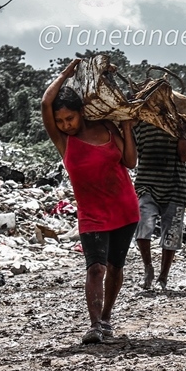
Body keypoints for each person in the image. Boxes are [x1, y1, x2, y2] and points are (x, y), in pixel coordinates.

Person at [41, 58, 140, 344]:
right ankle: (95, 325)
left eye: (69, 118)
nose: (65, 124)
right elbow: (46, 104)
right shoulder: (63, 141)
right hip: (92, 214)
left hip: (125, 208)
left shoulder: (108, 128)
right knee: (96, 268)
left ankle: (107, 319)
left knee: (116, 267)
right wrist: (66, 73)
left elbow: (130, 162)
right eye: (60, 121)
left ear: (81, 113)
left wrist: (127, 128)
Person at [132, 121, 186, 291]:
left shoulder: (183, 122)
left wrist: (181, 133)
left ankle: (163, 277)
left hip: (176, 186)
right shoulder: (140, 122)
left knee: (171, 235)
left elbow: (185, 156)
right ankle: (148, 267)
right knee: (144, 226)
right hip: (147, 183)